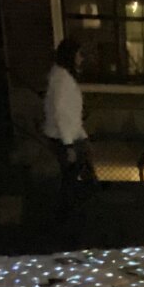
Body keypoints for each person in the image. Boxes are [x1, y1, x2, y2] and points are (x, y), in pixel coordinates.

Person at [44, 39, 96, 204]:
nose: (81, 58)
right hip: (65, 139)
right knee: (71, 180)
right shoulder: (62, 80)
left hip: (70, 136)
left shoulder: (61, 76)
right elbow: (61, 113)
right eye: (79, 54)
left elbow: (70, 114)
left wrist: (83, 136)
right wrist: (69, 146)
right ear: (71, 56)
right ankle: (68, 216)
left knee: (73, 178)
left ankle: (73, 212)